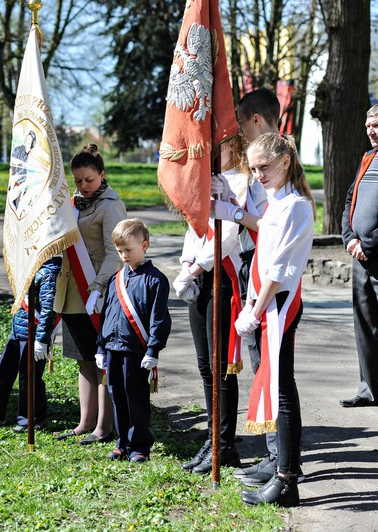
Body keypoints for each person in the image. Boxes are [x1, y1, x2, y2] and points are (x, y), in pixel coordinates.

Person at [233, 133, 314, 507]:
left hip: (279, 305)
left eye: (263, 167)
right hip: (263, 304)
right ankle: (281, 468)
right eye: (253, 169)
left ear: (284, 160)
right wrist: (250, 304)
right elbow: (262, 262)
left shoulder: (296, 205)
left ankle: (287, 481)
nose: (258, 174)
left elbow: (279, 270)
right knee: (277, 386)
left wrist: (255, 308)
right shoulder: (273, 203)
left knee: (281, 390)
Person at [212, 87, 280, 487]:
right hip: (253, 266)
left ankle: (279, 459)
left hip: (267, 272)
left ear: (256, 120)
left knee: (270, 369)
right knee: (261, 367)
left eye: (240, 120)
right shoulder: (265, 161)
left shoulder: (276, 161)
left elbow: (268, 223)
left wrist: (235, 211)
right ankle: (274, 456)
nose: (237, 128)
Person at [173, 135, 249, 474]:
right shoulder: (205, 180)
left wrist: (195, 267)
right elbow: (195, 226)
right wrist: (186, 265)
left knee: (220, 366)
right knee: (205, 365)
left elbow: (228, 232)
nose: (211, 151)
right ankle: (212, 436)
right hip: (199, 275)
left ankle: (224, 442)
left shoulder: (241, 180)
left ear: (234, 145)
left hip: (220, 274)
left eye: (218, 144)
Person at [54, 144, 127, 445]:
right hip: (72, 292)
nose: (83, 186)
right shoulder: (73, 203)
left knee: (101, 361)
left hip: (99, 292)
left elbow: (115, 253)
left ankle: (103, 427)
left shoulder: (111, 206)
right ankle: (84, 423)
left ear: (102, 175)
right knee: (83, 358)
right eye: (79, 180)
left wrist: (97, 286)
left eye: (89, 180)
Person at [97, 219, 170, 462]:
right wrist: (100, 346)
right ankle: (122, 443)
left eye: (128, 250)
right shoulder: (115, 279)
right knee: (116, 395)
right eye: (120, 251)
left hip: (136, 350)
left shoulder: (156, 279)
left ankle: (139, 445)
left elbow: (158, 319)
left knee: (135, 398)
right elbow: (106, 315)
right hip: (113, 348)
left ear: (144, 245)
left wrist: (153, 349)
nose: (124, 255)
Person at [0, 257, 62, 431]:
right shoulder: (27, 265)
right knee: (3, 372)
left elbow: (48, 310)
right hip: (18, 330)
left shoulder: (49, 271)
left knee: (29, 379)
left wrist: (41, 339)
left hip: (33, 334)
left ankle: (31, 419)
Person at [340, 104, 378, 408]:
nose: (371, 131)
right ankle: (370, 389)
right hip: (360, 256)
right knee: (364, 324)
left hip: (375, 253)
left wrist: (369, 243)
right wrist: (349, 238)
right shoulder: (367, 158)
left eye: (377, 125)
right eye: (368, 126)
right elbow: (350, 199)